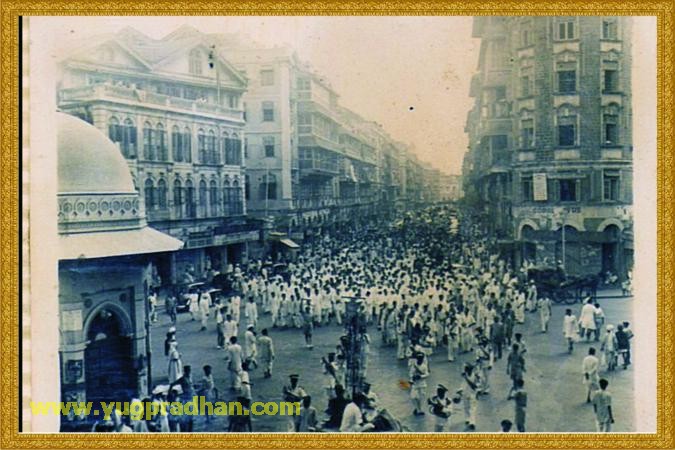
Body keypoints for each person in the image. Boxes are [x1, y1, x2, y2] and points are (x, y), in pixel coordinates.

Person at [409, 352, 430, 416]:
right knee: (413, 397)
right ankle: (417, 408)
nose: (420, 359)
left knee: (422, 398)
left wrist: (420, 376)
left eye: (421, 358)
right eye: (419, 358)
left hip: (422, 384)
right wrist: (412, 379)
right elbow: (410, 373)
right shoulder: (414, 366)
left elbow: (427, 374)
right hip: (415, 384)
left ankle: (420, 410)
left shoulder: (424, 366)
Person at [461, 363, 479, 431]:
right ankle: (467, 419)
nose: (466, 371)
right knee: (466, 407)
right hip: (465, 394)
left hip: (472, 394)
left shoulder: (475, 376)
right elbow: (463, 385)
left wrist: (466, 378)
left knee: (472, 409)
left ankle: (472, 423)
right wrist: (459, 392)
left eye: (467, 369)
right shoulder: (464, 375)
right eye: (466, 369)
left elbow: (474, 386)